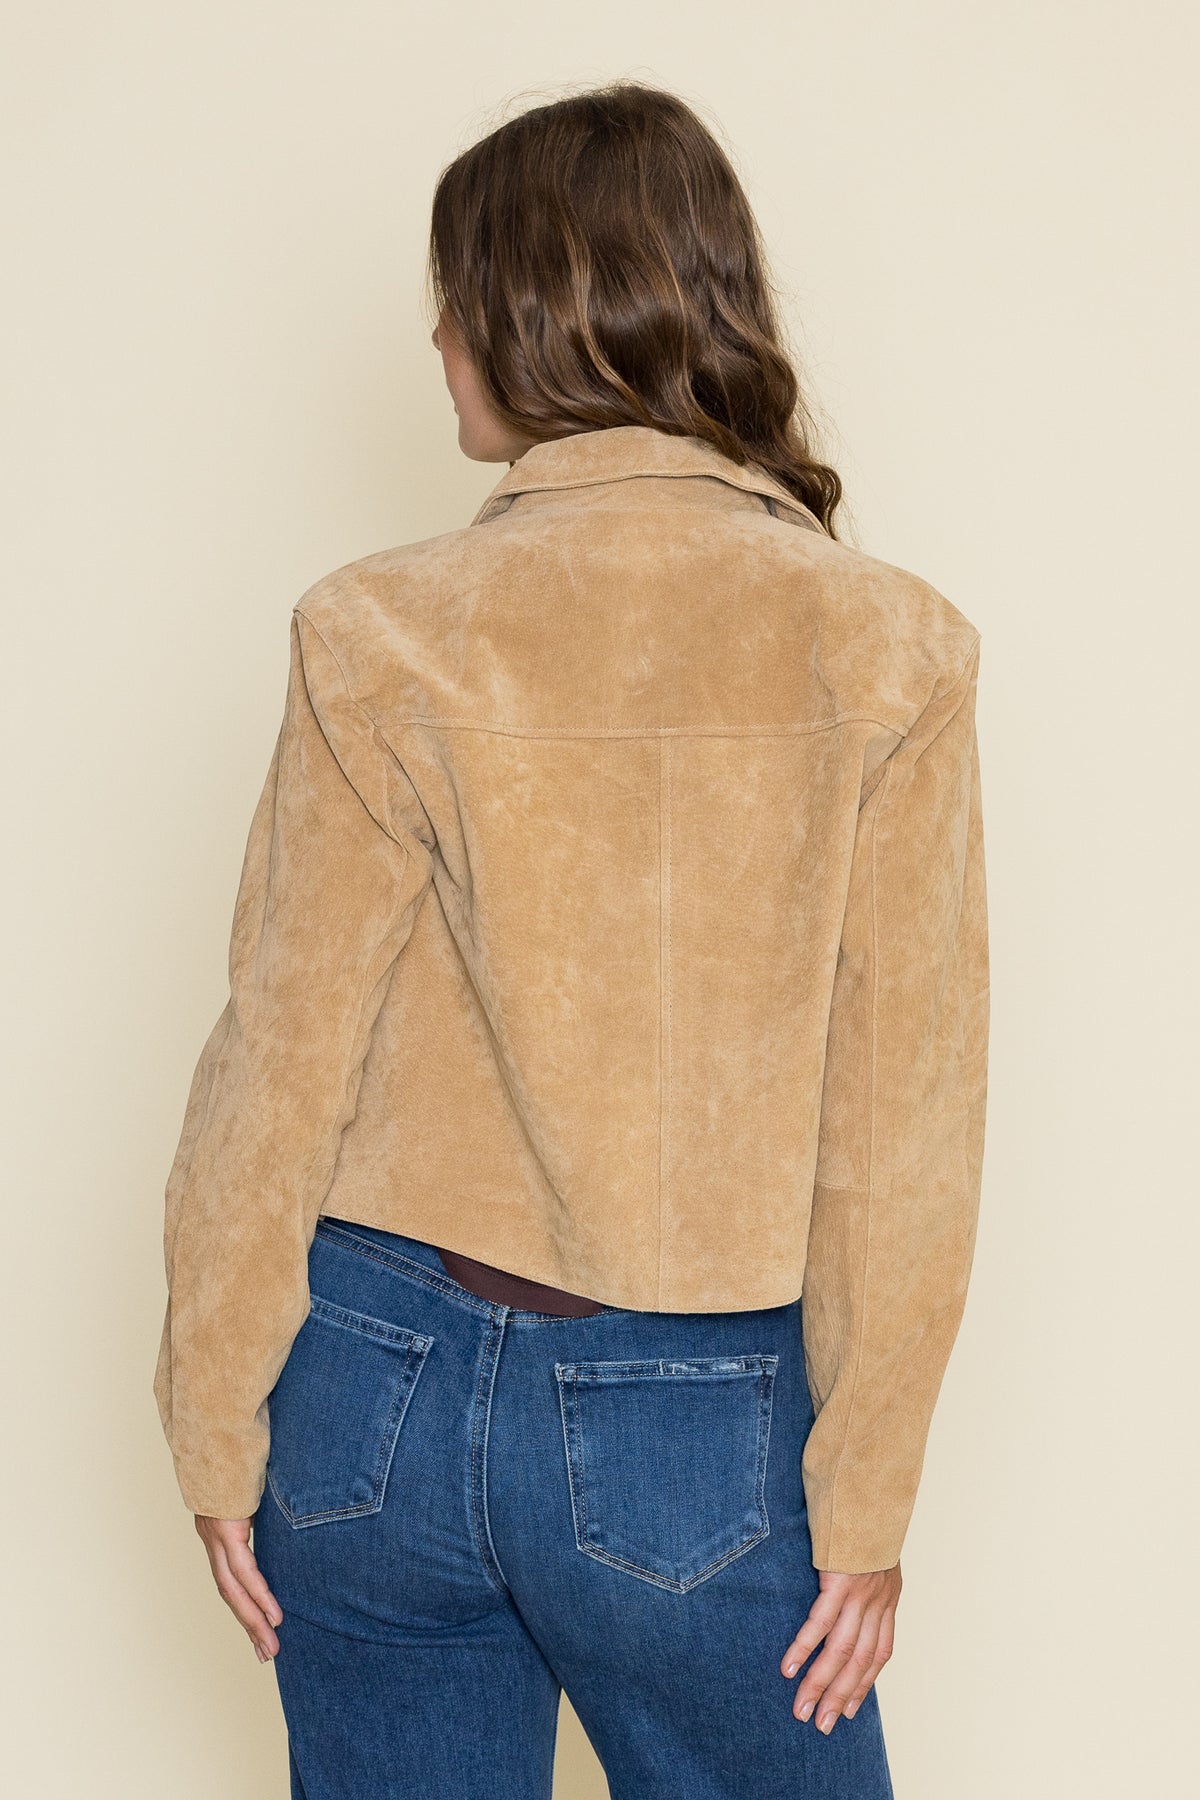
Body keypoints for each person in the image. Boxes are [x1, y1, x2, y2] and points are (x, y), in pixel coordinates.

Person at [153, 79, 989, 1800]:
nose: (436, 338)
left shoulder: (380, 628)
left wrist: (213, 1411)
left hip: (366, 1393)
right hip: (688, 1422)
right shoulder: (889, 647)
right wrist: (868, 1498)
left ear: (538, 313)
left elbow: (278, 1057)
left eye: (457, 295)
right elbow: (899, 1122)